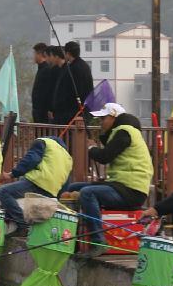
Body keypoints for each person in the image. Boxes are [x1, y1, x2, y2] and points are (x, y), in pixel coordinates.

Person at [64, 103, 153, 258]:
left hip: (131, 191)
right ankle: (77, 238)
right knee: (73, 187)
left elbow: (105, 156)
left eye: (103, 118)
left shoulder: (125, 131)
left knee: (87, 193)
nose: (101, 122)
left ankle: (98, 241)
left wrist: (92, 149)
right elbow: (110, 148)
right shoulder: (121, 132)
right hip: (121, 185)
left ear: (113, 117)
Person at [0, 135, 72, 235]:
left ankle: (22, 225)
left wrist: (11, 174)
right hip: (53, 190)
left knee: (3, 192)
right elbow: (66, 179)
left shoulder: (43, 142)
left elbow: (30, 160)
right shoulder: (68, 157)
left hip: (38, 182)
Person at [51, 41, 93, 125]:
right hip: (84, 111)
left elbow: (67, 91)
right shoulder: (85, 66)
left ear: (68, 53)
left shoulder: (72, 69)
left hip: (72, 113)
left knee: (71, 137)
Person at [31, 42, 53, 123]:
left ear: (40, 54)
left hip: (43, 112)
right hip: (37, 111)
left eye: (35, 54)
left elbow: (47, 91)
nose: (34, 56)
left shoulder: (46, 70)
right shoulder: (41, 69)